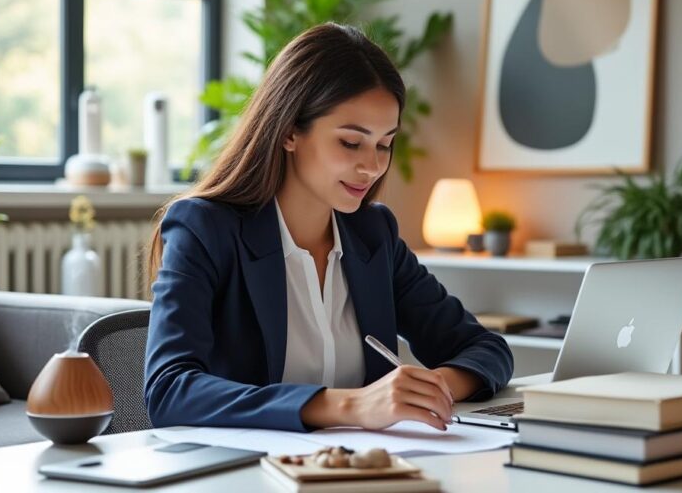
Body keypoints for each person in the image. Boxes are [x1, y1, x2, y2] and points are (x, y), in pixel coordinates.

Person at [143, 22, 513, 433]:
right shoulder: (205, 228)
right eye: (351, 143)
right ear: (288, 132)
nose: (372, 166)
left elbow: (485, 348)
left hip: (361, 467)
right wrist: (350, 406)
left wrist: (429, 388)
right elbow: (169, 389)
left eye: (385, 144)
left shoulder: (374, 234)